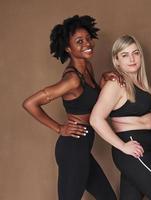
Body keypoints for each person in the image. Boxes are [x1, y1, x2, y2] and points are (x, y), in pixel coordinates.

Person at [22, 15, 116, 200]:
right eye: (79, 41)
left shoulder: (87, 67)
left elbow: (89, 101)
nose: (87, 43)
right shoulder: (72, 79)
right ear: (68, 48)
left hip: (82, 146)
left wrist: (103, 81)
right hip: (73, 147)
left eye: (88, 38)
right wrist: (59, 128)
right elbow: (29, 103)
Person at [90, 35, 151, 200]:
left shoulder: (139, 82)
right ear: (116, 60)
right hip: (133, 149)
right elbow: (95, 119)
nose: (132, 59)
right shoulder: (116, 84)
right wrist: (123, 146)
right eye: (125, 55)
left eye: (135, 53)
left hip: (145, 149)